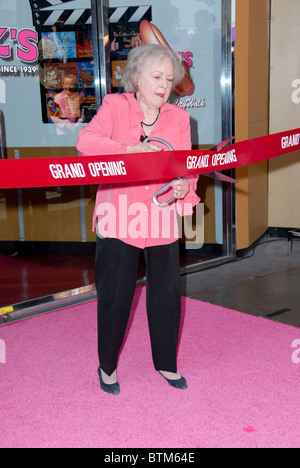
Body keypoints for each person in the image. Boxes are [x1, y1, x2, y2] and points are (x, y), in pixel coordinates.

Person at [77, 44, 200, 395]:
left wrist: (183, 185)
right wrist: (129, 149)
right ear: (136, 77)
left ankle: (165, 362)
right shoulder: (116, 106)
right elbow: (86, 142)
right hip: (120, 213)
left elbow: (187, 167)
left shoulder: (178, 118)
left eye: (170, 79)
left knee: (166, 294)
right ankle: (108, 366)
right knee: (116, 294)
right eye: (157, 77)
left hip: (160, 215)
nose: (164, 85)